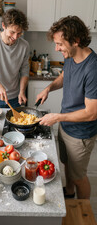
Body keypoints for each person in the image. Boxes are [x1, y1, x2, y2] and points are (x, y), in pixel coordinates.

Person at [36, 16, 97, 199]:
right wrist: (48, 88)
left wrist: (57, 117)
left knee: (79, 178)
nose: (56, 49)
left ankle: (84, 212)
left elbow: (91, 113)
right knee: (66, 165)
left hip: (81, 134)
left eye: (60, 44)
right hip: (66, 125)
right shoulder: (70, 56)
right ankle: (69, 194)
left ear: (75, 41)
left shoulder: (93, 69)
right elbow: (64, 77)